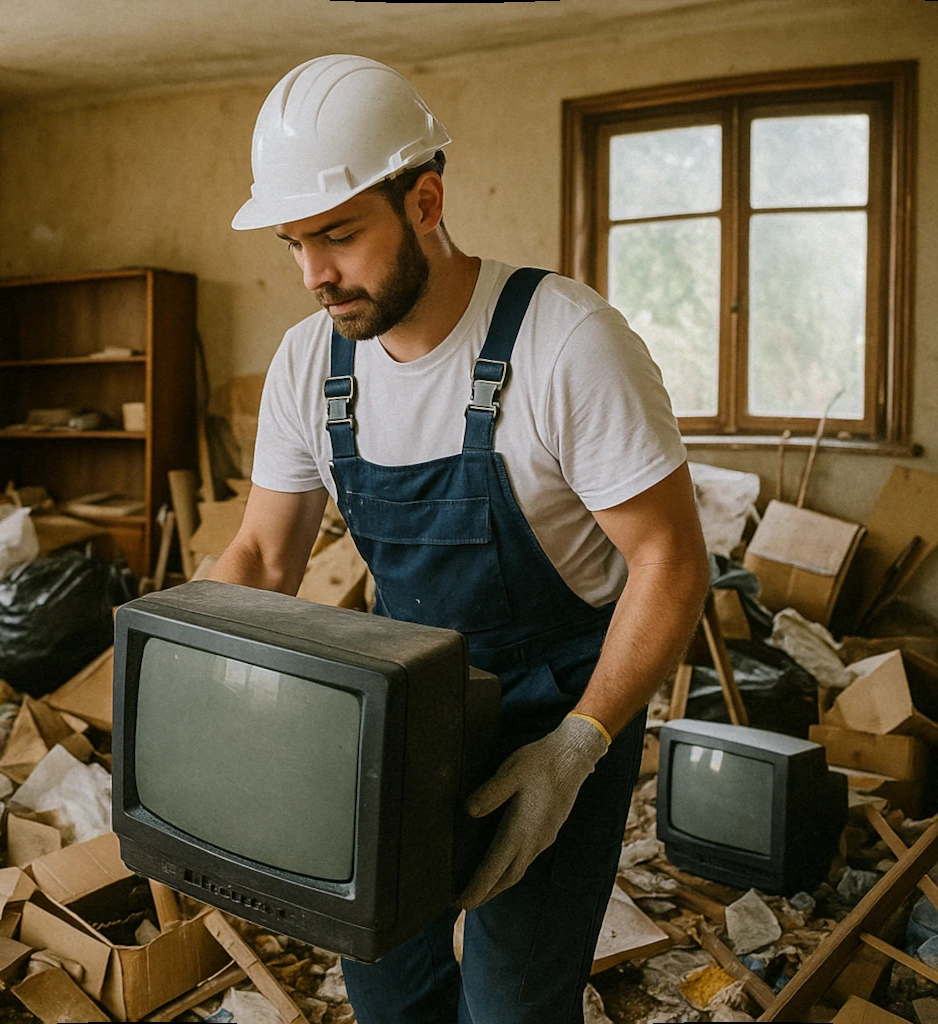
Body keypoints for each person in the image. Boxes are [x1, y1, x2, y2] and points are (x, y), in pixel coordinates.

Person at [214, 55, 711, 1023]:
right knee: (388, 986)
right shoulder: (311, 363)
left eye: (340, 235)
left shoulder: (565, 341)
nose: (316, 274)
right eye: (293, 243)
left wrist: (577, 749)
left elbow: (671, 559)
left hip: (560, 711)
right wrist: (201, 677)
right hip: (405, 707)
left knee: (514, 1001)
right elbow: (263, 557)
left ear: (426, 201)